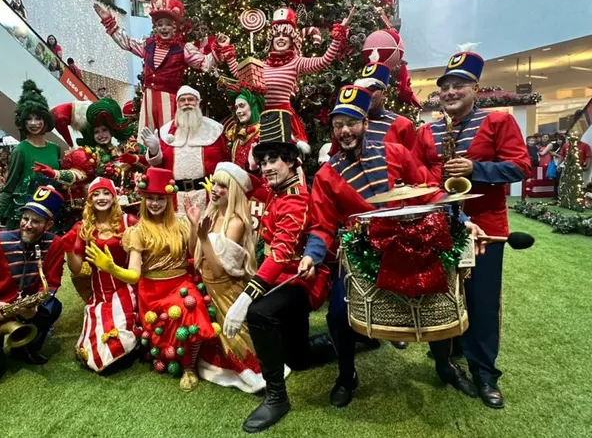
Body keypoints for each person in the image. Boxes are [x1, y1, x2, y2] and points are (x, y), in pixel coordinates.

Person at [297, 86, 477, 409]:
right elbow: (322, 225)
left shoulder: (395, 153)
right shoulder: (325, 175)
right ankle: (346, 375)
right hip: (360, 250)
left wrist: (461, 218)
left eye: (351, 122)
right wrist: (312, 254)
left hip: (407, 244)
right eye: (338, 124)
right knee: (338, 312)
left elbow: (428, 189)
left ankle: (444, 365)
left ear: (365, 123)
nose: (345, 131)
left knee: (435, 298)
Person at [413, 51, 533, 409]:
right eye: (445, 87)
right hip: (439, 225)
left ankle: (484, 371)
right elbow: (419, 175)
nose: (450, 92)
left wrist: (476, 169)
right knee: (441, 297)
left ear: (474, 88)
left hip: (485, 229)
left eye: (458, 85)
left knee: (480, 300)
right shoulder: (427, 131)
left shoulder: (498, 122)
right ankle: (445, 359)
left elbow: (521, 166)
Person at [221, 110, 332, 432]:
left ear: (292, 162)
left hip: (303, 281)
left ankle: (276, 397)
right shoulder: (274, 192)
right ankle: (346, 340)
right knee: (297, 358)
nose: (267, 166)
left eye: (275, 160)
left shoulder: (295, 199)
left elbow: (282, 253)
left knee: (258, 313)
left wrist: (245, 298)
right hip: (283, 279)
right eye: (264, 159)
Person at [84, 167, 215, 391]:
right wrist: (112, 268)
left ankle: (189, 367)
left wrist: (194, 225)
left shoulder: (180, 225)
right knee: (168, 338)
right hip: (152, 290)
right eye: (151, 198)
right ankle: (177, 356)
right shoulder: (137, 231)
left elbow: (191, 253)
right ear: (144, 200)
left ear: (168, 200)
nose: (155, 203)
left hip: (181, 283)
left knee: (192, 306)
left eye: (160, 199)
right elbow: (135, 275)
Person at [0, 187, 67, 388]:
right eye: (25, 218)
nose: (27, 225)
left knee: (52, 306)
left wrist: (35, 307)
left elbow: (52, 283)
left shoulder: (55, 244)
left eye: (36, 221)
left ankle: (24, 348)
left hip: (22, 309)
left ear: (49, 224)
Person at [217, 7, 350, 151]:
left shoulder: (296, 62)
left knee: (284, 158)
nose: (280, 38)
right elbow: (239, 74)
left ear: (291, 39)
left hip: (283, 118)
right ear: (271, 39)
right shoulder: (261, 65)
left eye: (285, 35)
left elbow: (324, 61)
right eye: (277, 35)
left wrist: (337, 37)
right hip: (260, 119)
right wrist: (227, 50)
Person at [184, 162, 267, 393]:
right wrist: (194, 227)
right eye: (215, 183)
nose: (215, 189)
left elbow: (221, 271)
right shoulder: (210, 214)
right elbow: (194, 253)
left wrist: (203, 238)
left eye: (223, 186)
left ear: (234, 192)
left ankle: (249, 373)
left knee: (235, 338)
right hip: (207, 289)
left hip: (227, 291)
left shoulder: (236, 223)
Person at [94, 0, 219, 131]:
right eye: (160, 24)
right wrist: (109, 21)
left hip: (170, 102)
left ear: (174, 27)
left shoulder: (184, 49)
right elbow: (126, 43)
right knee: (147, 138)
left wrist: (219, 50)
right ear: (155, 27)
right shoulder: (147, 45)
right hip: (148, 102)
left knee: (168, 138)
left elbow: (204, 63)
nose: (163, 28)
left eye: (167, 24)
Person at [61, 177, 138, 373]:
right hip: (100, 295)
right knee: (93, 345)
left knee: (122, 337)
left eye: (106, 193)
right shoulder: (84, 227)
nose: (101, 198)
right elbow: (76, 269)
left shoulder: (128, 221)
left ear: (114, 197)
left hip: (126, 290)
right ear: (89, 199)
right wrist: (69, 249)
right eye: (96, 194)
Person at [0, 81, 67, 233]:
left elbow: (60, 180)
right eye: (28, 119)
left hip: (52, 212)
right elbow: (9, 188)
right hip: (27, 216)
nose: (34, 123)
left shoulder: (55, 148)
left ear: (45, 120)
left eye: (38, 118)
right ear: (22, 122)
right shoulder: (20, 150)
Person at [140, 86, 229, 215]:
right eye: (182, 100)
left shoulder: (214, 130)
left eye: (191, 99)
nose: (187, 103)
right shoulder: (166, 131)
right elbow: (159, 166)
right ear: (177, 104)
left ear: (198, 102)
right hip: (176, 196)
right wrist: (154, 150)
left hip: (209, 196)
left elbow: (226, 160)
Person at [223, 85, 263, 172]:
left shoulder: (265, 132)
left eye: (242, 105)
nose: (238, 111)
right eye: (236, 107)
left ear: (253, 106)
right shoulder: (236, 135)